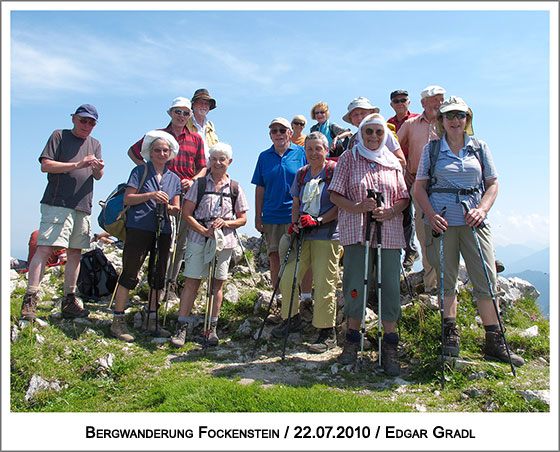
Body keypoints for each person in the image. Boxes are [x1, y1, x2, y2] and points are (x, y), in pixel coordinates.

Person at [413, 96, 524, 366]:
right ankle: (450, 336)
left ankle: (494, 341)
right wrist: (430, 215)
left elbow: (493, 184)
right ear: (441, 120)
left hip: (475, 222)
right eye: (449, 116)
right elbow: (419, 188)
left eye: (460, 115)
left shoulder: (479, 147)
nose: (455, 120)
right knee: (446, 280)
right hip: (443, 222)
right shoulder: (432, 150)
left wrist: (482, 210)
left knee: (485, 278)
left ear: (467, 119)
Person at [329, 113, 409, 375]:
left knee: (389, 285)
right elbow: (335, 194)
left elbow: (404, 198)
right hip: (356, 229)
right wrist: (357, 207)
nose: (373, 137)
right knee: (354, 283)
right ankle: (352, 341)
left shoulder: (392, 162)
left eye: (378, 132)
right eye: (368, 132)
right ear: (360, 133)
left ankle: (390, 346)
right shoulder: (349, 158)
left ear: (384, 135)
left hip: (389, 231)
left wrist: (391, 211)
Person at [20, 104, 104, 321]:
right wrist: (77, 164)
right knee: (45, 247)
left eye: (91, 122)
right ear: (74, 119)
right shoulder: (59, 136)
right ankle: (31, 297)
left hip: (83, 205)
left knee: (75, 252)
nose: (87, 125)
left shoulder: (95, 144)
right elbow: (45, 166)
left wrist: (97, 168)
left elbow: (98, 176)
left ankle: (69, 299)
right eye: (83, 120)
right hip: (58, 202)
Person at [127, 97, 206, 300]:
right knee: (151, 240)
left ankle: (168, 284)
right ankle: (139, 282)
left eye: (185, 113)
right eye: (177, 112)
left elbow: (203, 167)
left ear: (190, 116)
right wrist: (148, 171)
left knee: (178, 243)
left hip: (184, 197)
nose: (181, 116)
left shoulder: (196, 139)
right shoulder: (158, 136)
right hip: (156, 197)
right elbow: (133, 152)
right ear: (170, 113)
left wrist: (193, 180)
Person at [170, 143, 249, 348]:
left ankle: (211, 328)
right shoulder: (199, 185)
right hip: (199, 238)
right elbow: (187, 214)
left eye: (222, 159)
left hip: (224, 241)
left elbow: (242, 219)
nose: (217, 163)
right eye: (213, 159)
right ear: (209, 161)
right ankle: (182, 327)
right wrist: (202, 230)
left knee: (217, 284)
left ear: (229, 162)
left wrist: (225, 223)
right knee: (192, 282)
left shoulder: (235, 187)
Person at [271, 132, 340, 353]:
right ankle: (292, 318)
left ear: (326, 150)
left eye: (318, 148)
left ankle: (326, 331)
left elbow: (339, 205)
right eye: (309, 149)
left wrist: (319, 220)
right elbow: (296, 203)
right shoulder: (302, 174)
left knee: (323, 282)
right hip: (303, 235)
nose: (313, 153)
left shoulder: (333, 171)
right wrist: (295, 224)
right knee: (289, 275)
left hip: (327, 236)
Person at [110, 130, 182, 342]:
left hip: (164, 229)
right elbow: (128, 199)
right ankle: (118, 320)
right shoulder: (139, 171)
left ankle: (153, 319)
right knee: (130, 271)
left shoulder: (174, 178)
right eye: (157, 150)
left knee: (158, 275)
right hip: (139, 226)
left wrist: (170, 208)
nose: (161, 153)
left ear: (170, 153)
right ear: (150, 152)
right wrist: (151, 195)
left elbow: (176, 207)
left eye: (165, 150)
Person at [251, 118, 311, 312]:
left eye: (282, 130)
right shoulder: (263, 157)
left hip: (296, 214)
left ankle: (306, 296)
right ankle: (279, 296)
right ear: (270, 135)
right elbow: (260, 188)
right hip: (271, 215)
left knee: (302, 256)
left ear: (290, 133)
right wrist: (257, 216)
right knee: (275, 255)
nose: (278, 133)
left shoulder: (301, 153)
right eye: (274, 130)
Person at [398, 85, 446, 293]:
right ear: (423, 103)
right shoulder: (410, 125)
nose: (439, 103)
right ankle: (432, 285)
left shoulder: (449, 122)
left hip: (447, 183)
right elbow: (392, 147)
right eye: (434, 100)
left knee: (453, 230)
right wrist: (404, 168)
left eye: (441, 99)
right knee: (425, 231)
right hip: (420, 183)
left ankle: (450, 281)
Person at [387, 90, 420, 270]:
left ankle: (412, 250)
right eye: (396, 101)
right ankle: (409, 250)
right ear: (391, 104)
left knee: (422, 214)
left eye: (403, 100)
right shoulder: (388, 124)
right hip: (398, 173)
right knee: (404, 212)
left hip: (418, 171)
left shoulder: (417, 120)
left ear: (409, 102)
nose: (400, 103)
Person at [342, 97, 407, 169]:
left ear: (371, 113)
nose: (359, 117)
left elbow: (402, 161)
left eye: (363, 113)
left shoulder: (383, 133)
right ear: (351, 119)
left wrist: (377, 164)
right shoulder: (352, 140)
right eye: (355, 115)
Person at [186, 88, 219, 161]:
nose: (204, 106)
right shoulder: (184, 123)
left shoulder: (210, 126)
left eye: (206, 104)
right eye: (200, 103)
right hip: (190, 170)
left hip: (210, 170)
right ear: (193, 105)